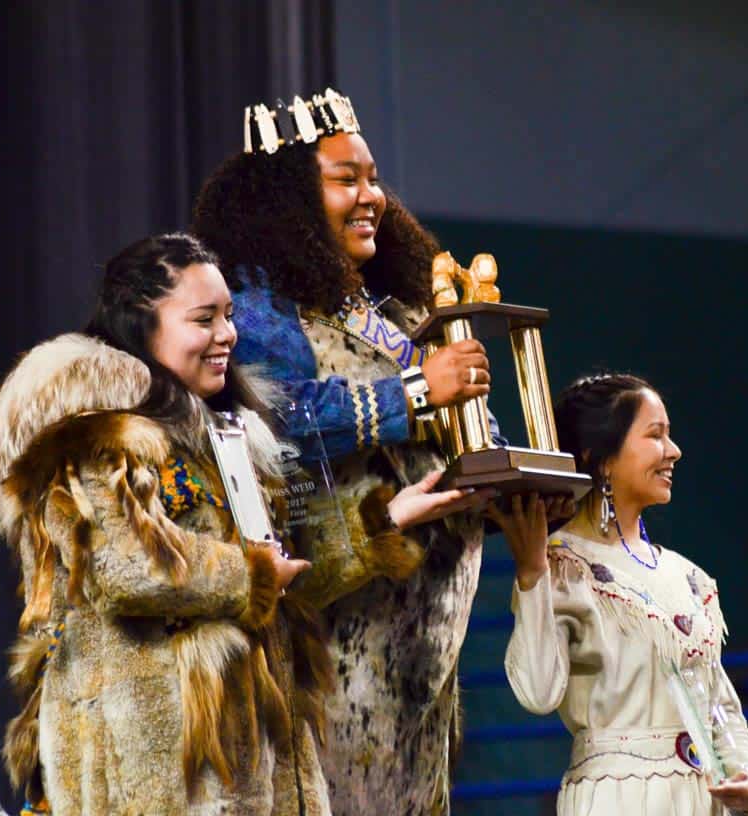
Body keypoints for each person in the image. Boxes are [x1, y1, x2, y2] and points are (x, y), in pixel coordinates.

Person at [0, 233, 478, 814]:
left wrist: (380, 522)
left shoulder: (227, 436)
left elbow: (275, 577)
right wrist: (252, 571)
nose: (227, 336)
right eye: (203, 319)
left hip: (248, 768)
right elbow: (125, 567)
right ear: (141, 323)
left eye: (229, 316)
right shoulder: (93, 436)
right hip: (150, 774)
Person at [193, 89, 497, 813]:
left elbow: (455, 427)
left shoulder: (389, 309)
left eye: (373, 178)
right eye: (346, 180)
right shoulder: (258, 308)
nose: (372, 198)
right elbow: (280, 414)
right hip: (335, 633)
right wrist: (420, 394)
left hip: (421, 654)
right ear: (290, 198)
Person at [496, 373, 748, 815]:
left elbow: (719, 703)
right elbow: (537, 691)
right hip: (617, 798)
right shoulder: (564, 566)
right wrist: (532, 574)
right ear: (602, 458)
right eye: (655, 435)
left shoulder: (689, 578)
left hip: (701, 800)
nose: (674, 451)